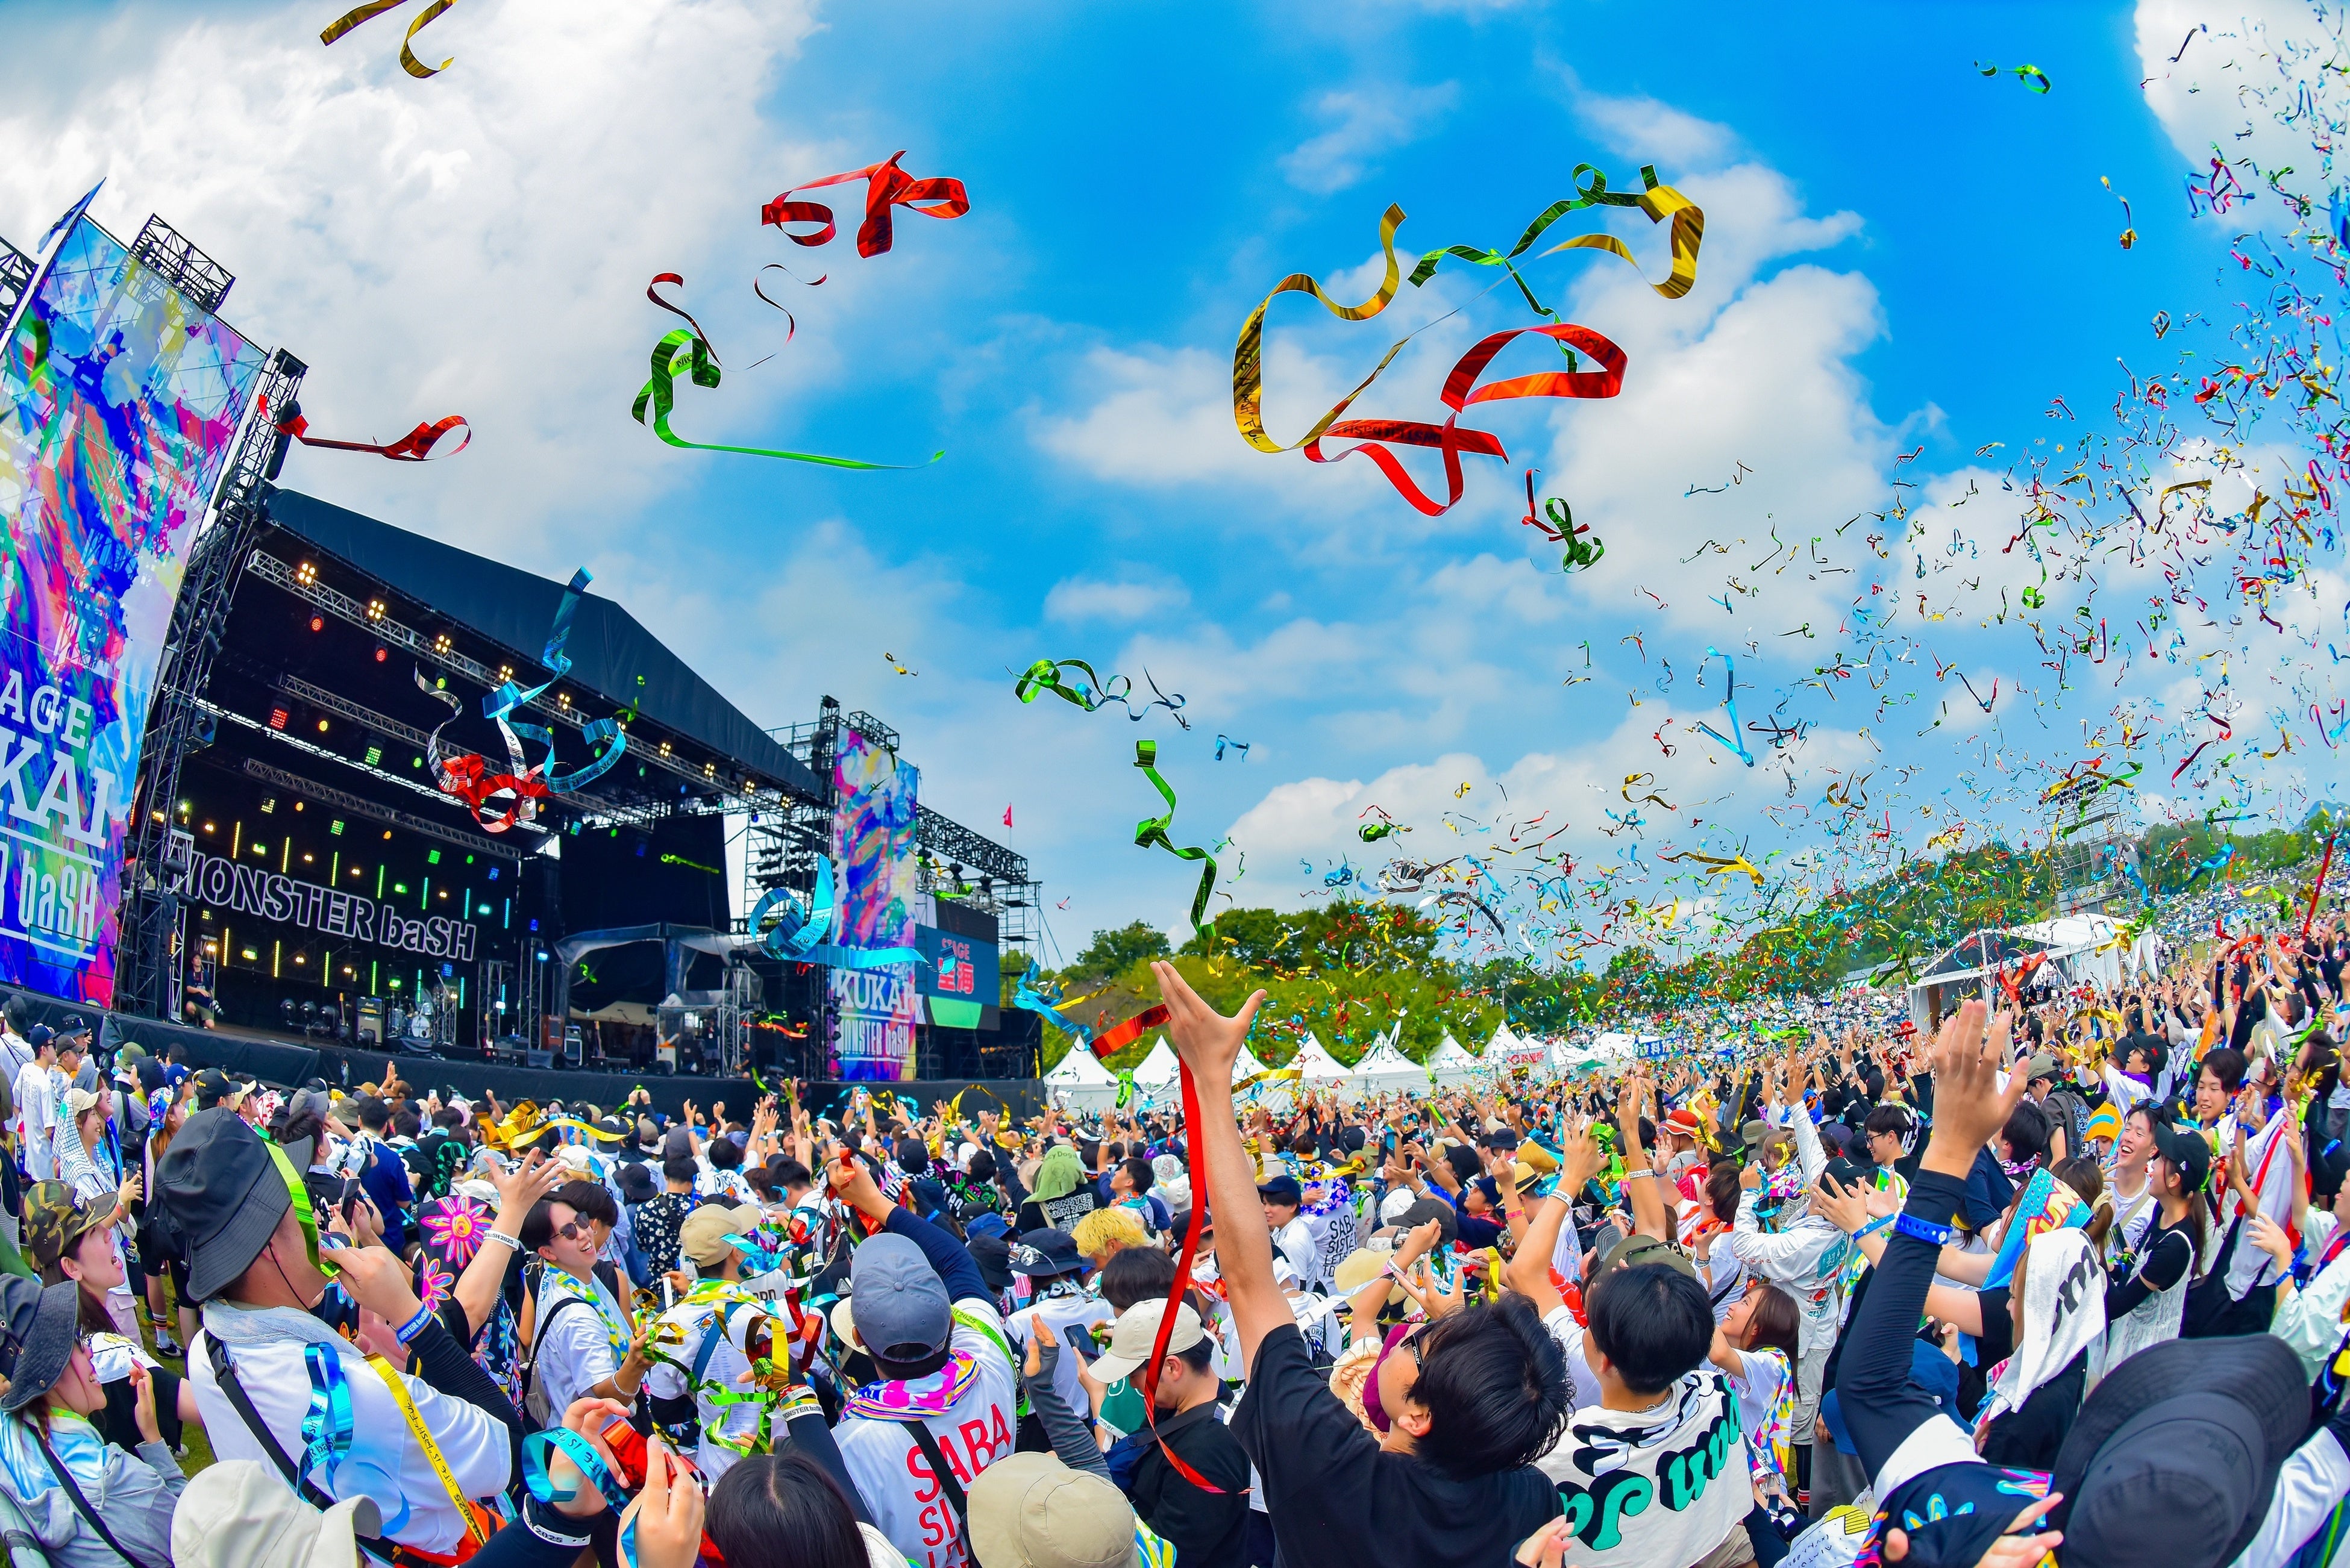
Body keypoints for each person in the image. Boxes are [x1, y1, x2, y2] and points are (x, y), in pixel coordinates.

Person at [1152, 961, 1569, 1568]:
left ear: (1419, 1414)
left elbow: (1246, 1277)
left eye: (1420, 1341)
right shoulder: (1533, 1499)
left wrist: (1214, 1079)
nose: (1413, 1330)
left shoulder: (1331, 1469)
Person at [163, 1108, 513, 1560]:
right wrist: (409, 1314)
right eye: (303, 1208)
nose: (320, 1222)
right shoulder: (355, 1394)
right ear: (269, 1245)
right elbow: (510, 1448)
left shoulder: (206, 1350)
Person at [825, 1151, 1019, 1568]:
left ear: (857, 1338)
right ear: (953, 1321)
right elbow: (955, 1259)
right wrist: (875, 1201)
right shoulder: (990, 1360)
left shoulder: (850, 1446)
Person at [0, 1274, 186, 1568]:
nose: (89, 1352)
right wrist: (153, 1438)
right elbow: (195, 1537)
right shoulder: (117, 1480)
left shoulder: (9, 1434)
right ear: (48, 1370)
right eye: (75, 1343)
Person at [1088, 1296, 1252, 1567]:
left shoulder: (1207, 1452)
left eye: (1133, 1373)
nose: (1131, 1383)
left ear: (1172, 1367)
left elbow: (1163, 1555)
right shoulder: (1180, 1404)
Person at [522, 1190, 651, 1426]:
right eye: (568, 1233)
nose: (583, 1233)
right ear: (547, 1252)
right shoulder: (577, 1316)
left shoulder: (559, 1277)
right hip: (597, 1438)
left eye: (581, 1221)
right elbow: (607, 1398)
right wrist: (636, 1362)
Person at [15, 1026, 58, 1184]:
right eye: (53, 1045)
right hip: (44, 1163)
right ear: (43, 1050)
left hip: (30, 1158)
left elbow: (16, 1105)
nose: (56, 1050)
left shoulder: (26, 1069)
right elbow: (49, 1130)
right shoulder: (45, 1084)